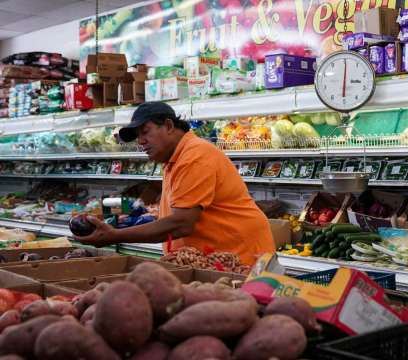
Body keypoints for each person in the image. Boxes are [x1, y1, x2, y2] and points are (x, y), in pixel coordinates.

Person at [76, 102, 275, 265]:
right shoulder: (174, 159)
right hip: (216, 258)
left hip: (241, 259)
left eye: (146, 132)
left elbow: (181, 224)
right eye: (138, 136)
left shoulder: (194, 157)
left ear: (169, 126)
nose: (141, 141)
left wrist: (115, 236)